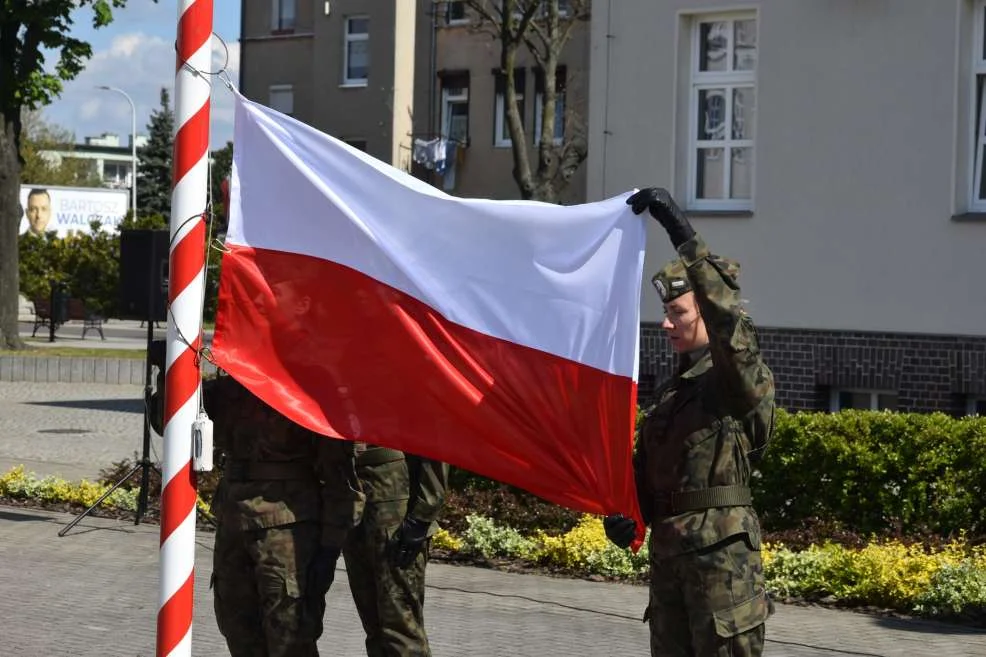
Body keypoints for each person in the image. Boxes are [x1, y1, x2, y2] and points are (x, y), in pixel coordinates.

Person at [604, 187, 776, 657]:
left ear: (705, 312)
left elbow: (728, 321)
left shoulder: (734, 379)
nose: (665, 323)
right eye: (665, 312)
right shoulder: (671, 394)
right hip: (671, 563)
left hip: (722, 565)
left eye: (676, 311)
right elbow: (653, 472)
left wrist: (680, 231)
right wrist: (626, 512)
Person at [150, 343, 365, 657]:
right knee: (238, 627)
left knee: (290, 636)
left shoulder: (308, 387)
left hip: (288, 528)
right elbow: (171, 423)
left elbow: (339, 477)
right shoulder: (230, 387)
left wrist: (329, 548)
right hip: (235, 521)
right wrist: (168, 372)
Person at [342, 444, 449, 657]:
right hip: (354, 502)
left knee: (401, 630)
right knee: (375, 629)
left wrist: (422, 515)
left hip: (396, 510)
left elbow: (435, 441)